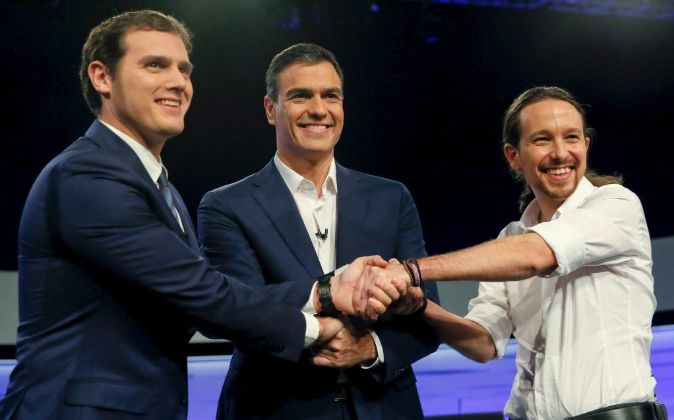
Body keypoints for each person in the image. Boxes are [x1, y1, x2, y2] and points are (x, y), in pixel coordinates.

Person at [0, 11, 401, 420]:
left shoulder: (162, 189)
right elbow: (201, 292)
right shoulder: (87, 175)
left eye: (183, 69)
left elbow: (197, 296)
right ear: (102, 77)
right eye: (155, 65)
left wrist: (326, 293)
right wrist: (322, 315)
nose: (178, 81)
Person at [367, 86, 667, 419]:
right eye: (542, 140)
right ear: (513, 156)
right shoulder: (511, 236)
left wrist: (410, 271)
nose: (560, 153)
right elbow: (484, 344)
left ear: (586, 144)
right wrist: (421, 306)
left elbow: (536, 256)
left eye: (571, 137)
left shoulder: (616, 205)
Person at [198, 43, 440, 420]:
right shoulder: (227, 205)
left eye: (331, 96)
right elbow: (233, 308)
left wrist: (370, 349)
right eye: (300, 96)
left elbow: (426, 307)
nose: (318, 109)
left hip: (385, 407)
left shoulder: (390, 198)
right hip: (275, 409)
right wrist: (323, 311)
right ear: (270, 109)